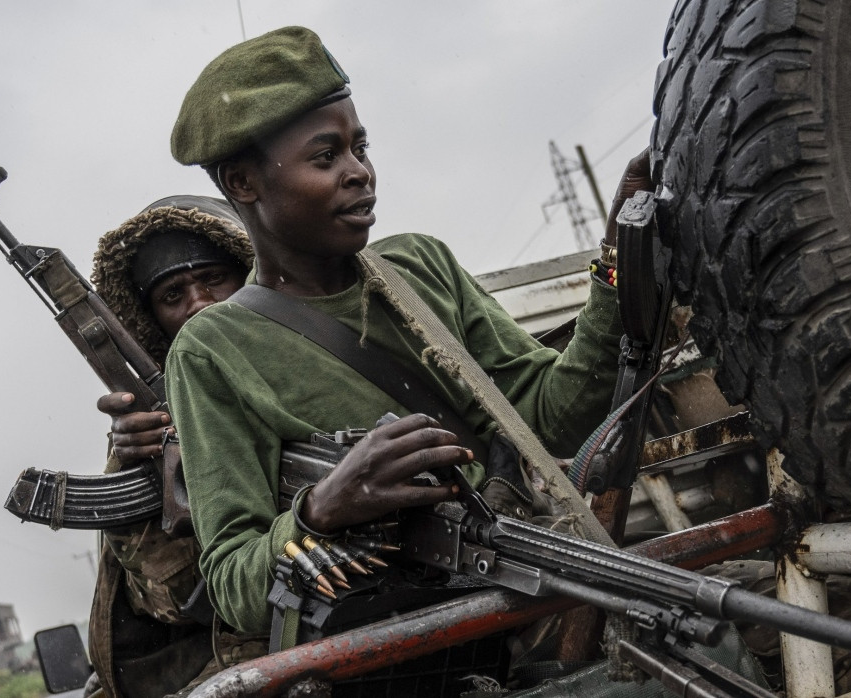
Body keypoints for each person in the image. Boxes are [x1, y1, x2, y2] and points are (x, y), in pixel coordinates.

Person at [163, 25, 646, 676]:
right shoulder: (213, 348)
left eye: (360, 147)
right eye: (325, 156)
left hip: (515, 609)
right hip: (392, 662)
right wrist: (321, 510)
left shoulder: (421, 267)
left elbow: (555, 413)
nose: (359, 172)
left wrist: (617, 261)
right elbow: (234, 582)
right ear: (244, 182)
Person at [84, 194, 258, 698]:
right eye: (173, 294)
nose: (198, 302)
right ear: (151, 320)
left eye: (213, 278)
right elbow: (175, 599)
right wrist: (137, 464)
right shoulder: (160, 423)